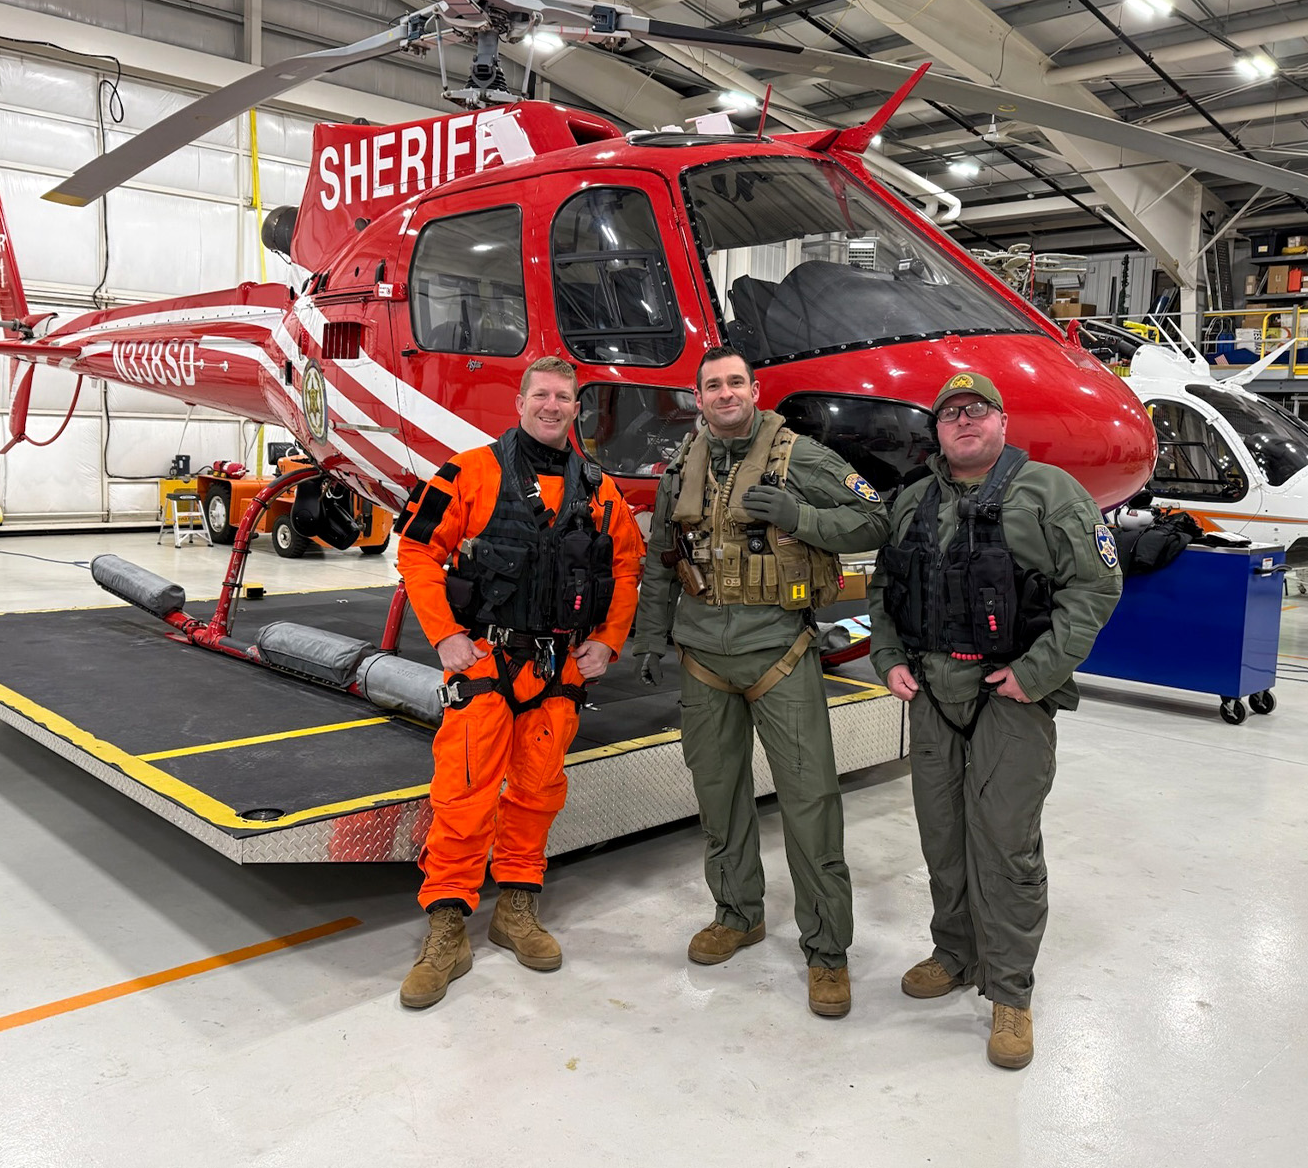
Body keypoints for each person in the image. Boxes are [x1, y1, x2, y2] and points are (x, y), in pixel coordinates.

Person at [869, 370, 1121, 1069]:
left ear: (1003, 423)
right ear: (938, 431)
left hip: (1009, 696)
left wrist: (1036, 671)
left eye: (978, 411)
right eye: (951, 414)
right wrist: (887, 655)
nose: (964, 421)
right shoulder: (913, 500)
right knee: (942, 838)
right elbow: (886, 587)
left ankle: (1009, 990)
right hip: (930, 692)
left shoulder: (1049, 494)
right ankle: (954, 953)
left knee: (1006, 846)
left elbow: (1096, 586)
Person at [632, 346, 887, 1018]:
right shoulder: (682, 464)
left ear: (754, 388)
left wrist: (799, 519)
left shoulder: (799, 457)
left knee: (810, 807)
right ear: (699, 395)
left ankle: (827, 952)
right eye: (712, 385)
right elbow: (662, 558)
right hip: (701, 659)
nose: (725, 393)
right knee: (720, 801)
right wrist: (651, 634)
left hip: (780, 652)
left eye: (735, 382)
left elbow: (874, 519)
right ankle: (737, 912)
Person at [392, 356, 645, 1009]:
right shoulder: (471, 471)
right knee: (464, 794)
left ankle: (517, 910)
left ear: (574, 408)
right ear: (521, 400)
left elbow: (626, 564)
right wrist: (446, 634)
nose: (553, 405)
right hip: (483, 663)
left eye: (564, 397)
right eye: (543, 394)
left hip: (558, 669)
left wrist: (609, 641)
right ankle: (447, 929)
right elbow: (418, 548)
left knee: (538, 792)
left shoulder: (598, 488)